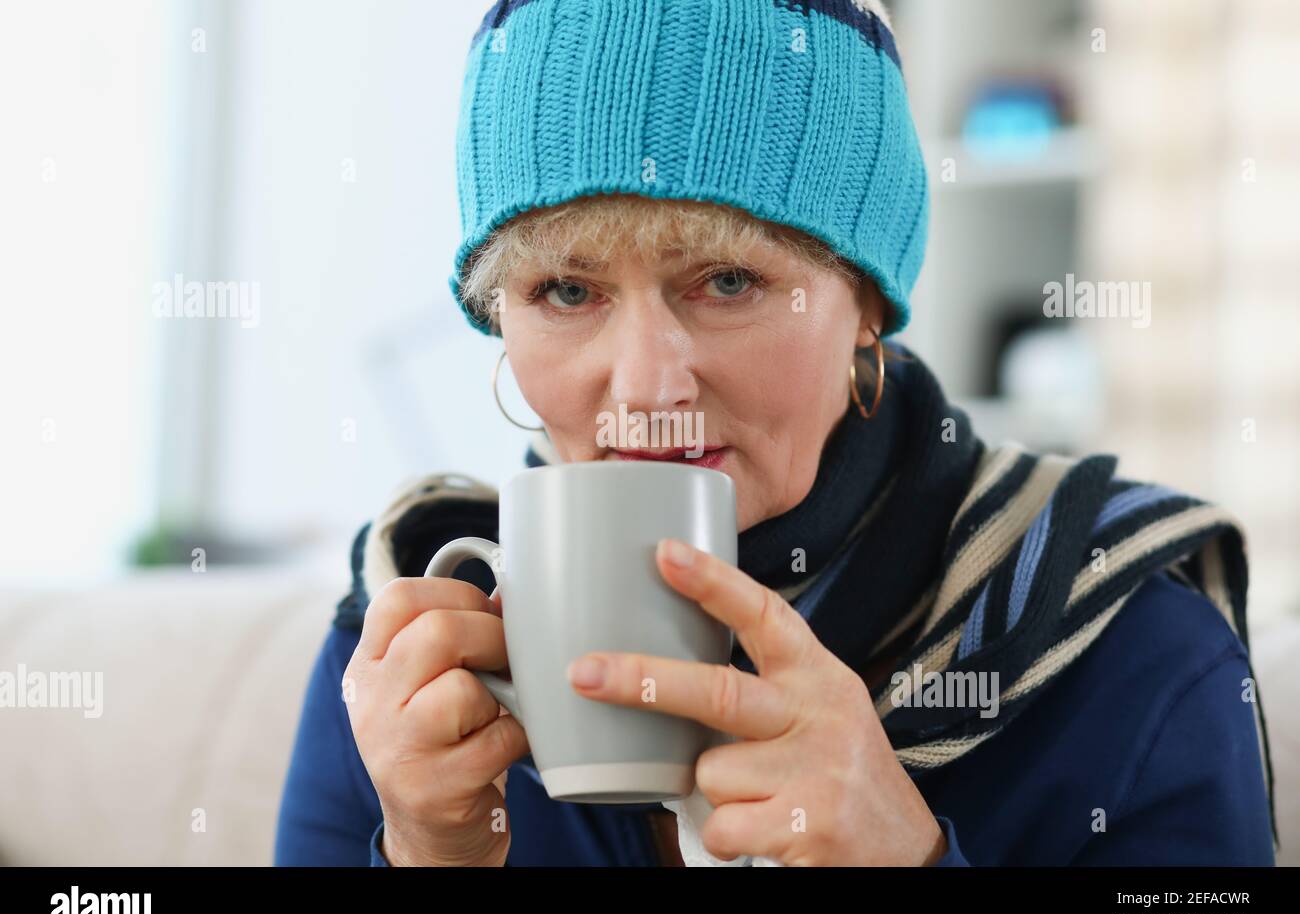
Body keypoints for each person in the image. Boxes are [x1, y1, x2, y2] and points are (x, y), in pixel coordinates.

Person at [274, 0, 1277, 867]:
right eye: (566, 288)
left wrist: (909, 854)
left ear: (868, 309)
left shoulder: (1129, 640)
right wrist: (425, 848)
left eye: (726, 280)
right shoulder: (409, 641)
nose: (646, 380)